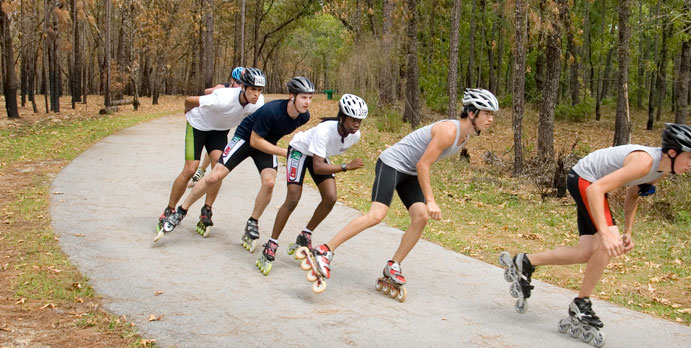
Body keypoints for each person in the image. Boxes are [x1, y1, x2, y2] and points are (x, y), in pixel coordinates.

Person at [499, 122, 691, 348]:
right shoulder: (645, 161)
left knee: (587, 251)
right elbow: (596, 189)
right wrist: (606, 234)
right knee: (607, 243)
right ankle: (581, 303)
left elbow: (633, 193)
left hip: (590, 182)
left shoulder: (661, 170)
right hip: (585, 180)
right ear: (673, 153)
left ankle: (526, 262)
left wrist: (628, 231)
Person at [304, 88, 498, 298]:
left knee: (421, 217)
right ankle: (325, 250)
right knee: (376, 215)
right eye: (487, 113)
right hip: (392, 164)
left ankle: (393, 266)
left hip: (410, 171)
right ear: (472, 113)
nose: (491, 119)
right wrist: (431, 200)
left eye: (491, 114)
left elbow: (419, 163)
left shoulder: (464, 136)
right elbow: (424, 164)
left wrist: (427, 203)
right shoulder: (449, 131)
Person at [161, 76, 316, 249]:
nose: (307, 102)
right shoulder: (272, 110)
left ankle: (253, 222)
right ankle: (181, 211)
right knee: (214, 177)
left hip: (266, 144)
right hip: (245, 139)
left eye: (310, 97)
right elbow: (255, 142)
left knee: (270, 183)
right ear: (291, 96)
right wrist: (284, 152)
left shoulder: (304, 116)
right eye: (303, 97)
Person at [256, 94, 368, 276]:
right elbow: (318, 166)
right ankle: (271, 243)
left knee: (331, 197)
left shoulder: (354, 136)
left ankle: (305, 235)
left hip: (318, 155)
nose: (356, 124)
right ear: (342, 117)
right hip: (300, 151)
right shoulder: (325, 131)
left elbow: (321, 159)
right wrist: (345, 167)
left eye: (360, 120)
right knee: (293, 198)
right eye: (353, 119)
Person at [154, 67, 265, 241]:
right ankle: (170, 208)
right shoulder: (223, 98)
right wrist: (187, 112)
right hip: (198, 125)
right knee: (190, 169)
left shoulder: (258, 103)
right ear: (242, 88)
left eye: (259, 90)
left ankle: (207, 209)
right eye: (252, 89)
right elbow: (189, 100)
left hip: (219, 131)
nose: (256, 94)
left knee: (218, 170)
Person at [190, 66, 246, 188]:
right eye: (237, 82)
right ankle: (201, 171)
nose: (239, 86)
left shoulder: (243, 94)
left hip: (222, 125)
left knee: (214, 151)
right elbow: (206, 92)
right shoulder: (223, 88)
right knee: (208, 151)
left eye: (242, 83)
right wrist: (214, 90)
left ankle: (203, 171)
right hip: (208, 122)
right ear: (232, 81)